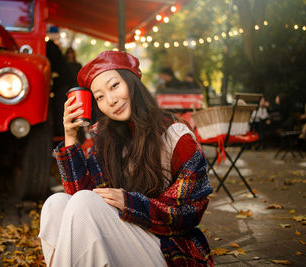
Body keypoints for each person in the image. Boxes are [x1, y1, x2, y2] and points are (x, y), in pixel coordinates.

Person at [39, 51, 214, 266]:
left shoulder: (177, 137)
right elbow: (79, 198)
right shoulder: (106, 139)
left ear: (133, 83)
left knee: (84, 202)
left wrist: (129, 203)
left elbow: (189, 213)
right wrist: (71, 136)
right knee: (56, 204)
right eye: (100, 97)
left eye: (114, 86)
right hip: (125, 238)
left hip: (169, 248)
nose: (110, 101)